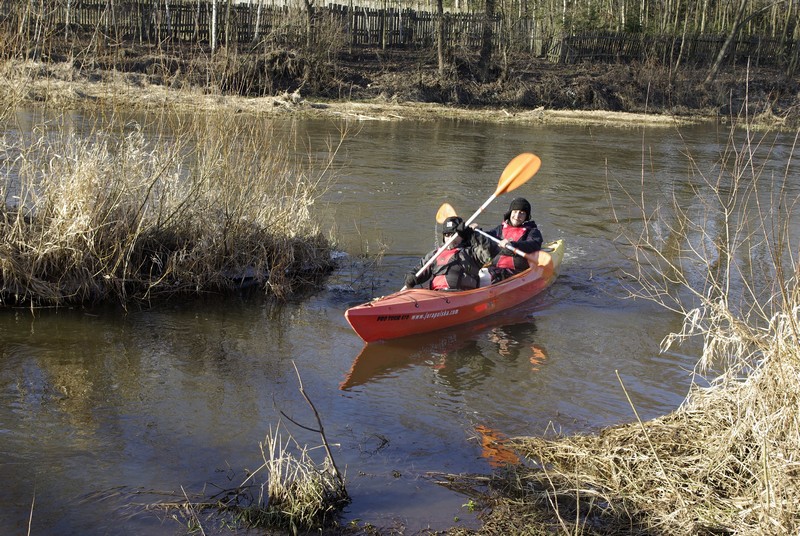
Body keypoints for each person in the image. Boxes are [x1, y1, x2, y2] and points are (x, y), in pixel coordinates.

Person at [404, 216, 493, 290]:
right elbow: (420, 269)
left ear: (462, 236)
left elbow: (488, 255)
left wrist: (473, 234)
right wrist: (411, 276)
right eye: (447, 234)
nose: (450, 238)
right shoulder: (435, 254)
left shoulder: (470, 252)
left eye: (454, 234)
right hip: (436, 295)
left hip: (461, 296)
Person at [485, 197, 543, 282]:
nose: (517, 216)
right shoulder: (500, 228)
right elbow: (487, 236)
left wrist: (513, 245)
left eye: (522, 213)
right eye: (515, 212)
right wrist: (473, 231)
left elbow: (533, 244)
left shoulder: (532, 231)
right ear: (510, 213)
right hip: (495, 269)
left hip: (517, 272)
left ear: (526, 216)